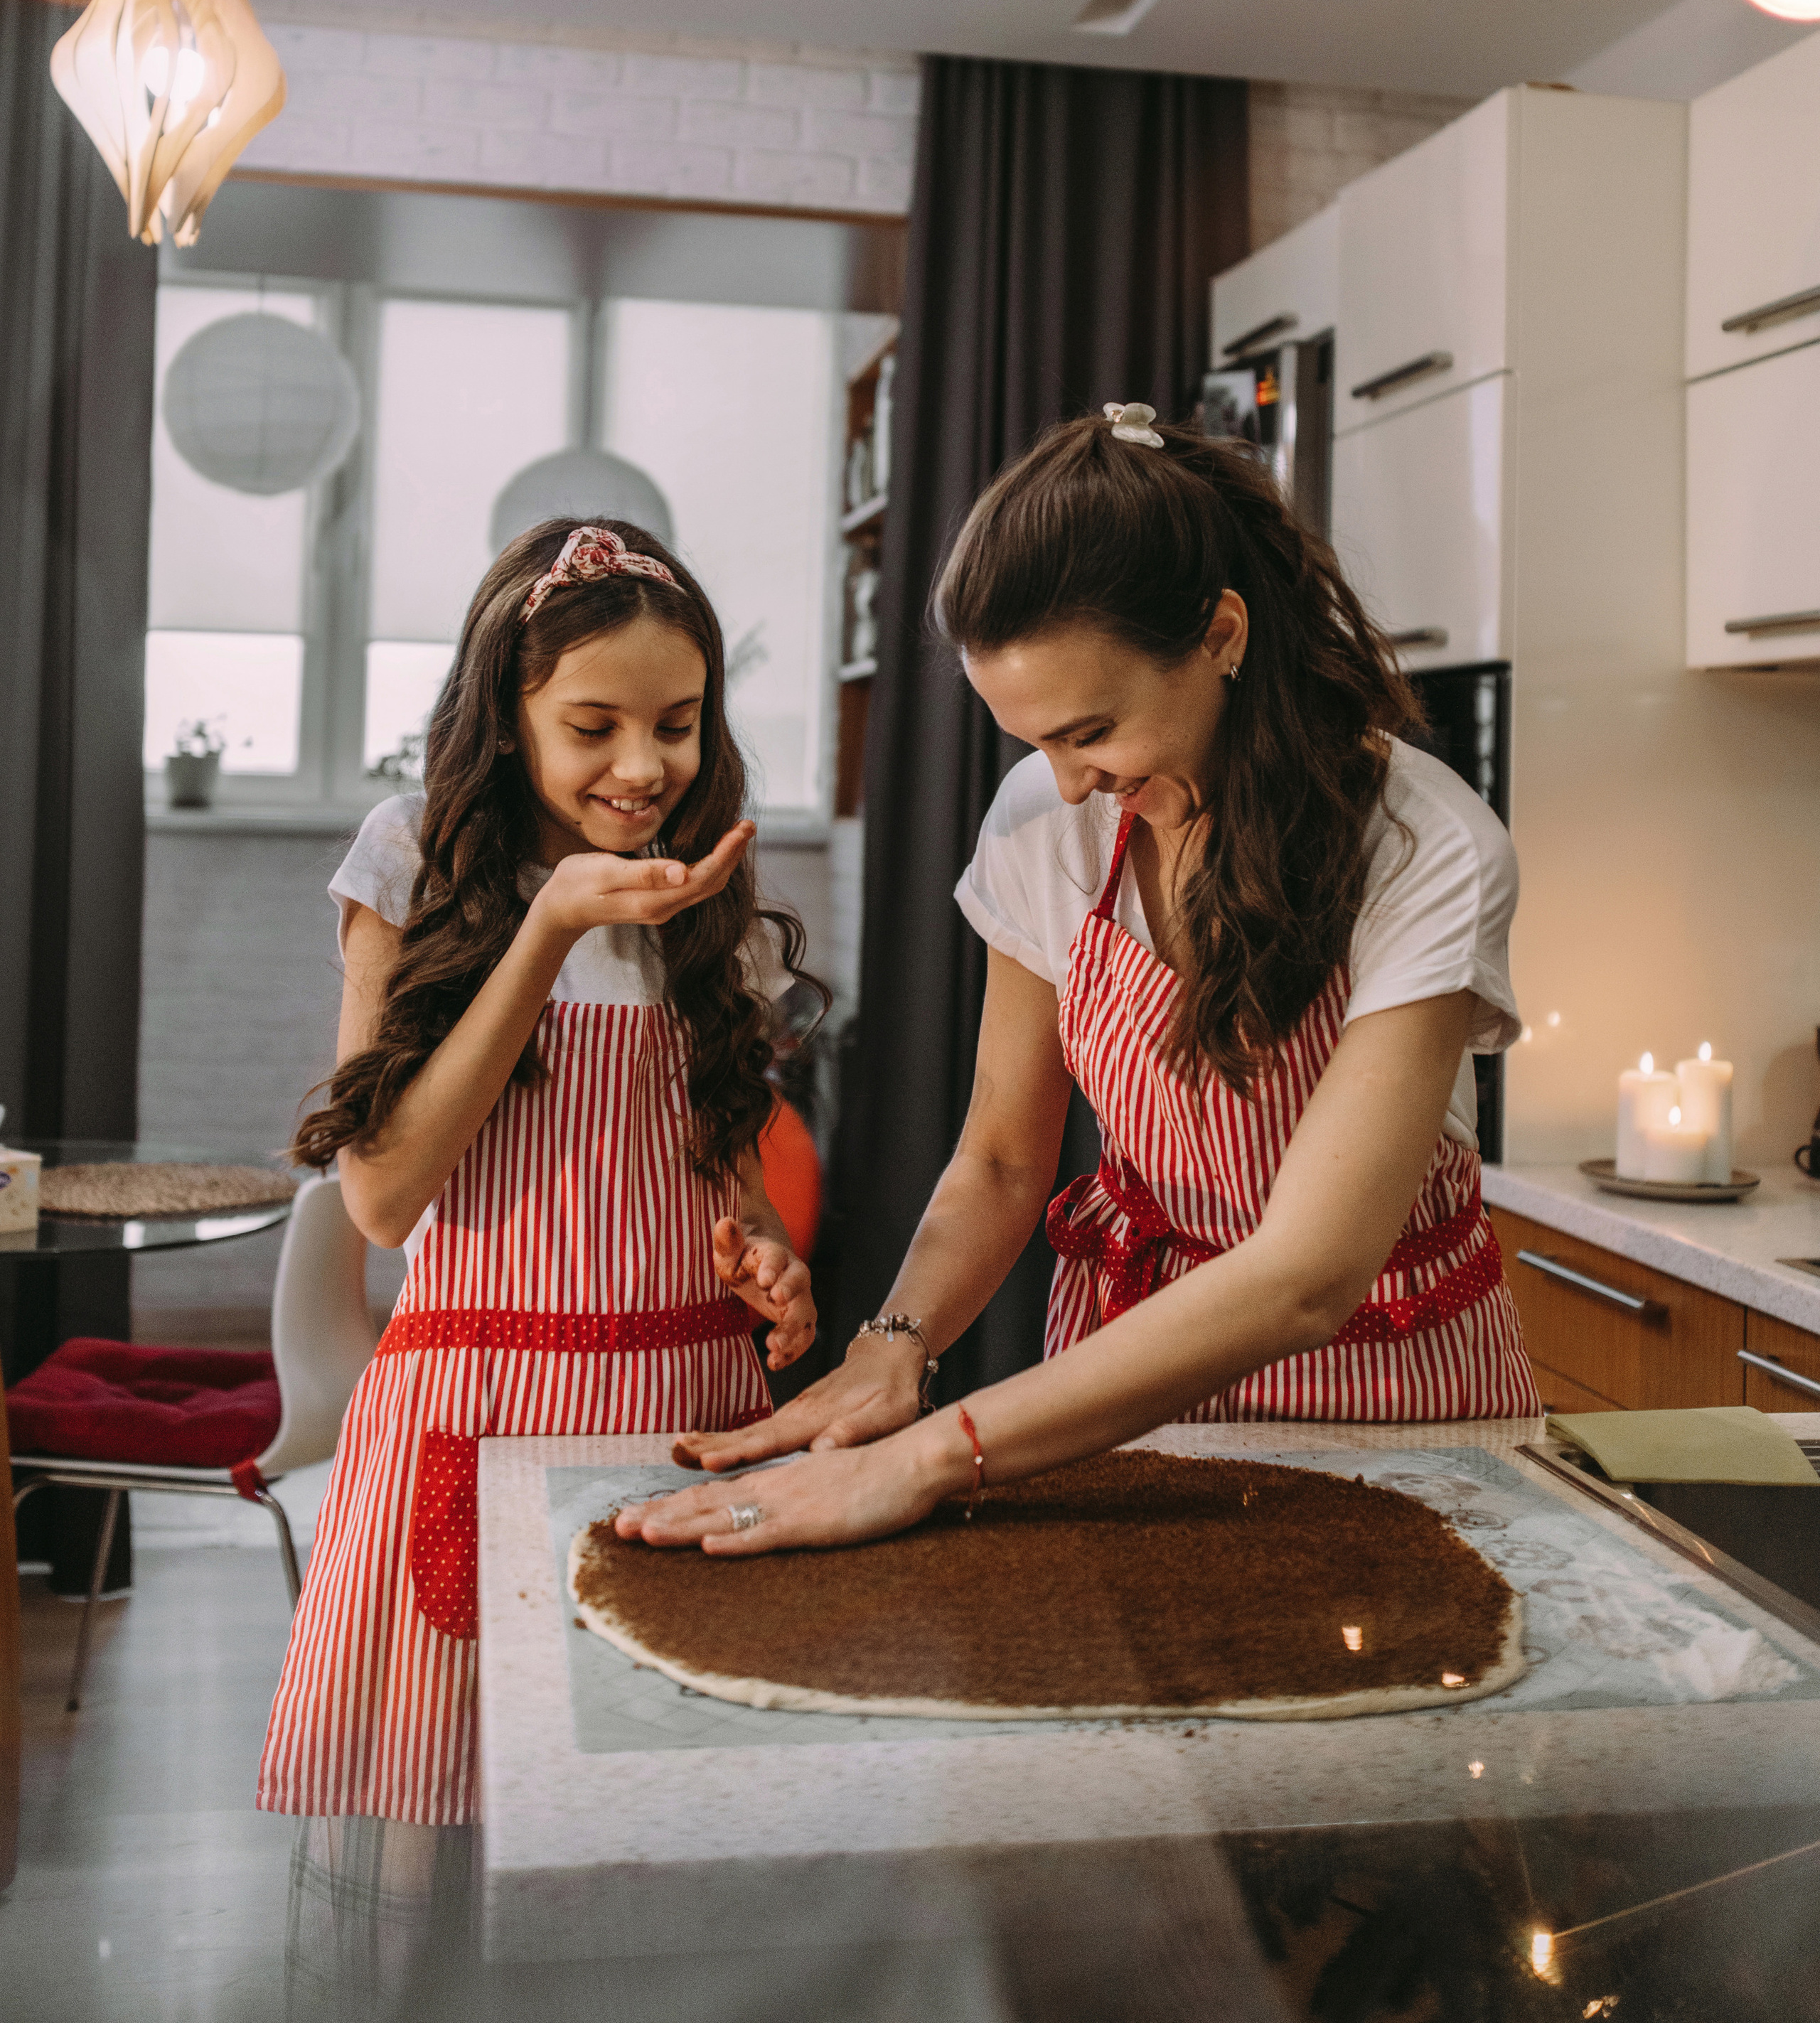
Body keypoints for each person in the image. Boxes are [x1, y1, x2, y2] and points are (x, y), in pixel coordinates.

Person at [616, 405, 1539, 1562]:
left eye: (1090, 731)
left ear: (1221, 636)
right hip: (1119, 1398)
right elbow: (1005, 1158)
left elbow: (1308, 1274)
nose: (1063, 784)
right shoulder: (1050, 823)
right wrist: (893, 1343)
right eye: (1036, 742)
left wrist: (927, 1455)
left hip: (1393, 1402)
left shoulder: (1421, 847)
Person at [258, 519, 820, 1837]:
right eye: (592, 727)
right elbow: (384, 1201)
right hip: (484, 1410)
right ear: (507, 720)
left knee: (656, 1808)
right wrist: (553, 921)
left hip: (686, 1406)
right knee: (454, 1806)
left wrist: (767, 1256)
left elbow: (733, 1190)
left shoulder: (704, 890)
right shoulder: (416, 858)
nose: (644, 766)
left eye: (677, 724)